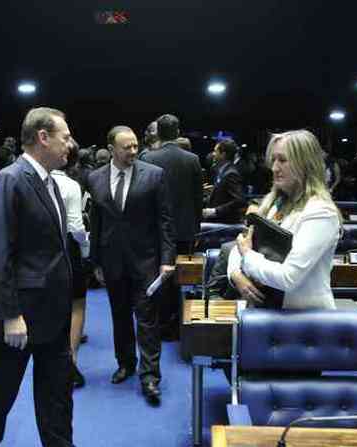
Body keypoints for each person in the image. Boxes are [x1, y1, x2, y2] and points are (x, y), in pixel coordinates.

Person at [0, 107, 112, 447]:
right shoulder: (9, 180)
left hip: (52, 311)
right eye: (65, 136)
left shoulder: (51, 181)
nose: (71, 143)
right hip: (18, 315)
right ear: (42, 137)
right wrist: (10, 315)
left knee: (57, 392)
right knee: (1, 392)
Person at [88, 125, 176, 405]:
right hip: (112, 261)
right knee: (120, 315)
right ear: (111, 148)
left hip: (147, 261)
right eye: (126, 147)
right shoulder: (95, 178)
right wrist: (96, 262)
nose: (133, 151)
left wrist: (167, 260)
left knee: (147, 318)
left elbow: (165, 221)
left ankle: (150, 375)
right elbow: (97, 223)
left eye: (136, 146)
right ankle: (125, 363)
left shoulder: (154, 175)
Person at [226, 130, 341, 310]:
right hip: (266, 314)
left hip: (302, 324)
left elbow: (288, 277)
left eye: (283, 160)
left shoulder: (321, 212)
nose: (274, 168)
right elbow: (240, 245)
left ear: (305, 164)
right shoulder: (275, 203)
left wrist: (248, 257)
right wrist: (235, 274)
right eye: (274, 160)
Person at [143, 114, 203, 340]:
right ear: (178, 133)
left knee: (158, 278)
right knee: (184, 280)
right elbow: (198, 199)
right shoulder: (193, 159)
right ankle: (179, 326)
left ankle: (159, 324)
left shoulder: (147, 157)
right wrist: (196, 228)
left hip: (156, 230)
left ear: (158, 132)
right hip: (186, 229)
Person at [51, 138, 89, 388]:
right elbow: (76, 227)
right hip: (68, 249)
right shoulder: (71, 185)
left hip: (39, 252)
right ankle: (70, 361)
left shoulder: (29, 180)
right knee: (77, 305)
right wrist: (86, 249)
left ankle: (52, 362)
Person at [202, 138, 246, 224]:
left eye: (215, 151)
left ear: (223, 154)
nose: (213, 154)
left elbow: (239, 200)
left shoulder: (231, 174)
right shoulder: (222, 171)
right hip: (216, 220)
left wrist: (215, 211)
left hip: (223, 222)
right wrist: (213, 192)